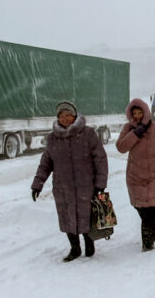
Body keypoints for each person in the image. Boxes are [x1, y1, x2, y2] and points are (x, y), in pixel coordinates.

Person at [31, 101, 109, 262]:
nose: (64, 118)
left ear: (74, 116)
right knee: (67, 217)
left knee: (87, 215)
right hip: (63, 187)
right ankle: (74, 248)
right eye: (61, 116)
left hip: (86, 185)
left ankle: (89, 243)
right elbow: (45, 163)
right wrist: (37, 184)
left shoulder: (88, 134)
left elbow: (100, 159)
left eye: (67, 115)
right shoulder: (53, 138)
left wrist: (100, 183)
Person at [116, 98, 155, 252]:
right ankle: (154, 227)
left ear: (146, 113)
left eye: (140, 113)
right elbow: (121, 147)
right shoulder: (128, 128)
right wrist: (135, 134)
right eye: (134, 113)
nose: (137, 116)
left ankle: (147, 243)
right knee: (141, 208)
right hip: (135, 176)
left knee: (149, 209)